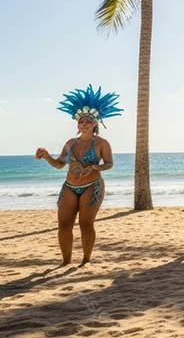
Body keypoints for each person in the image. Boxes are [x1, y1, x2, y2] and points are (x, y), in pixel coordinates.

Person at [34, 85, 120, 265]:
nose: (85, 124)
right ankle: (66, 261)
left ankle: (86, 260)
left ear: (95, 123)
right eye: (82, 121)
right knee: (64, 226)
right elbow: (59, 165)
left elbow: (109, 164)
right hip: (70, 187)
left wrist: (96, 168)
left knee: (86, 225)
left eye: (88, 121)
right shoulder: (71, 143)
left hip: (92, 186)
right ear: (77, 124)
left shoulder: (102, 143)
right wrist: (47, 156)